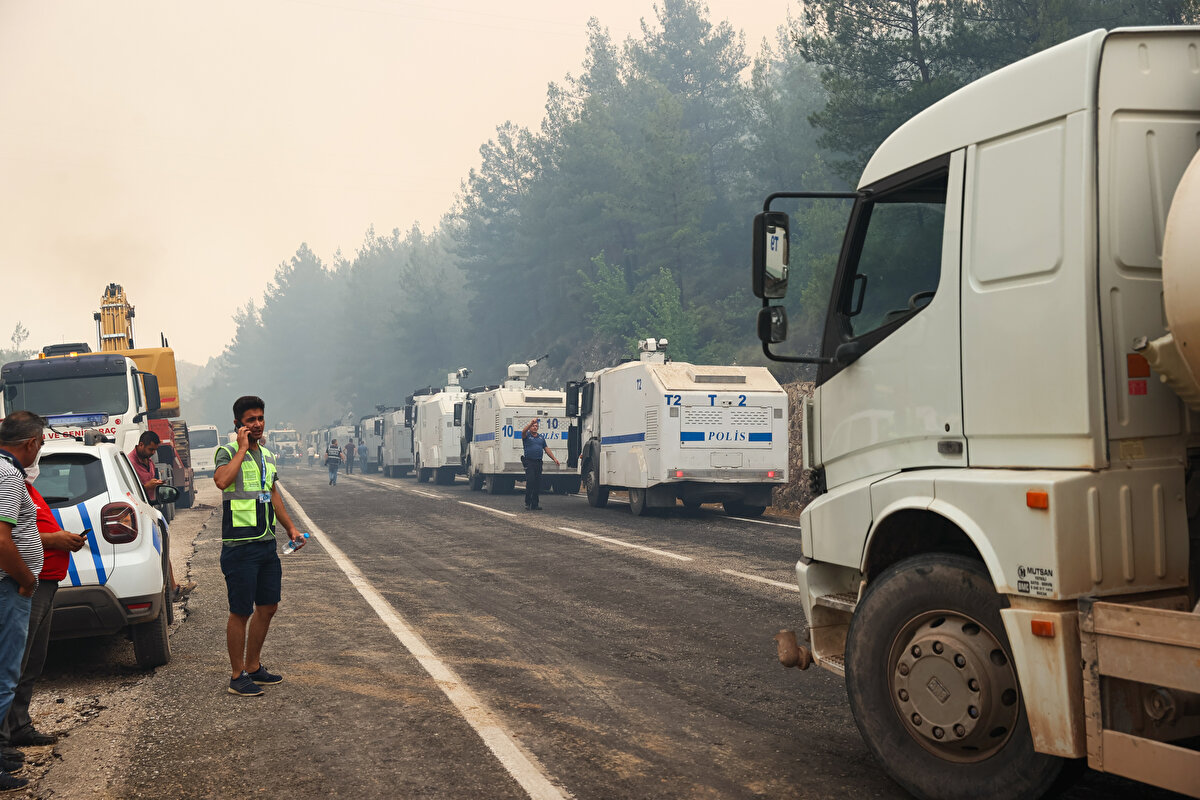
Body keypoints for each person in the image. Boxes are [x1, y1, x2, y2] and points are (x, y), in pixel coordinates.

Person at [213, 396, 304, 697]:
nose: (257, 424)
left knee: (268, 606)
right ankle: (237, 675)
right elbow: (222, 481)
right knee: (241, 611)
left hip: (266, 542)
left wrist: (290, 528)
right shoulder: (226, 452)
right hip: (239, 545)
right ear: (238, 423)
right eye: (250, 419)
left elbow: (272, 493)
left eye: (260, 418)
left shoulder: (267, 455)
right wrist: (240, 448)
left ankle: (253, 667)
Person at [0, 477, 85, 754]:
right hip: (24, 583)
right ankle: (3, 741)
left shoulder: (27, 486)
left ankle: (18, 726)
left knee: (34, 659)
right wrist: (55, 539)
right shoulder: (8, 483)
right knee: (15, 662)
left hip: (44, 582)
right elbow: (9, 537)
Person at [0, 412, 47, 791]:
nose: (40, 450)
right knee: (5, 675)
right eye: (41, 444)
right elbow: (2, 540)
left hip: (9, 586)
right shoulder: (8, 475)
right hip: (9, 588)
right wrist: (27, 579)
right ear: (30, 442)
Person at [128, 432, 194, 601]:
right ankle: (168, 590)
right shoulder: (129, 463)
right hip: (136, 513)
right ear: (141, 445)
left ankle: (172, 588)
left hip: (150, 509)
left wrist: (155, 484)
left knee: (162, 548)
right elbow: (128, 490)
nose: (153, 453)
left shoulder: (148, 461)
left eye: (154, 450)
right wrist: (145, 486)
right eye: (150, 449)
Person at [520, 418, 559, 511]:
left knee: (537, 483)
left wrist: (554, 458)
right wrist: (530, 423)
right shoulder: (527, 436)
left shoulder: (541, 438)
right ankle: (527, 502)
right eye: (533, 426)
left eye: (536, 426)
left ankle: (535, 504)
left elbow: (546, 449)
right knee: (530, 481)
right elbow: (523, 431)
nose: (535, 427)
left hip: (538, 462)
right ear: (530, 427)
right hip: (529, 461)